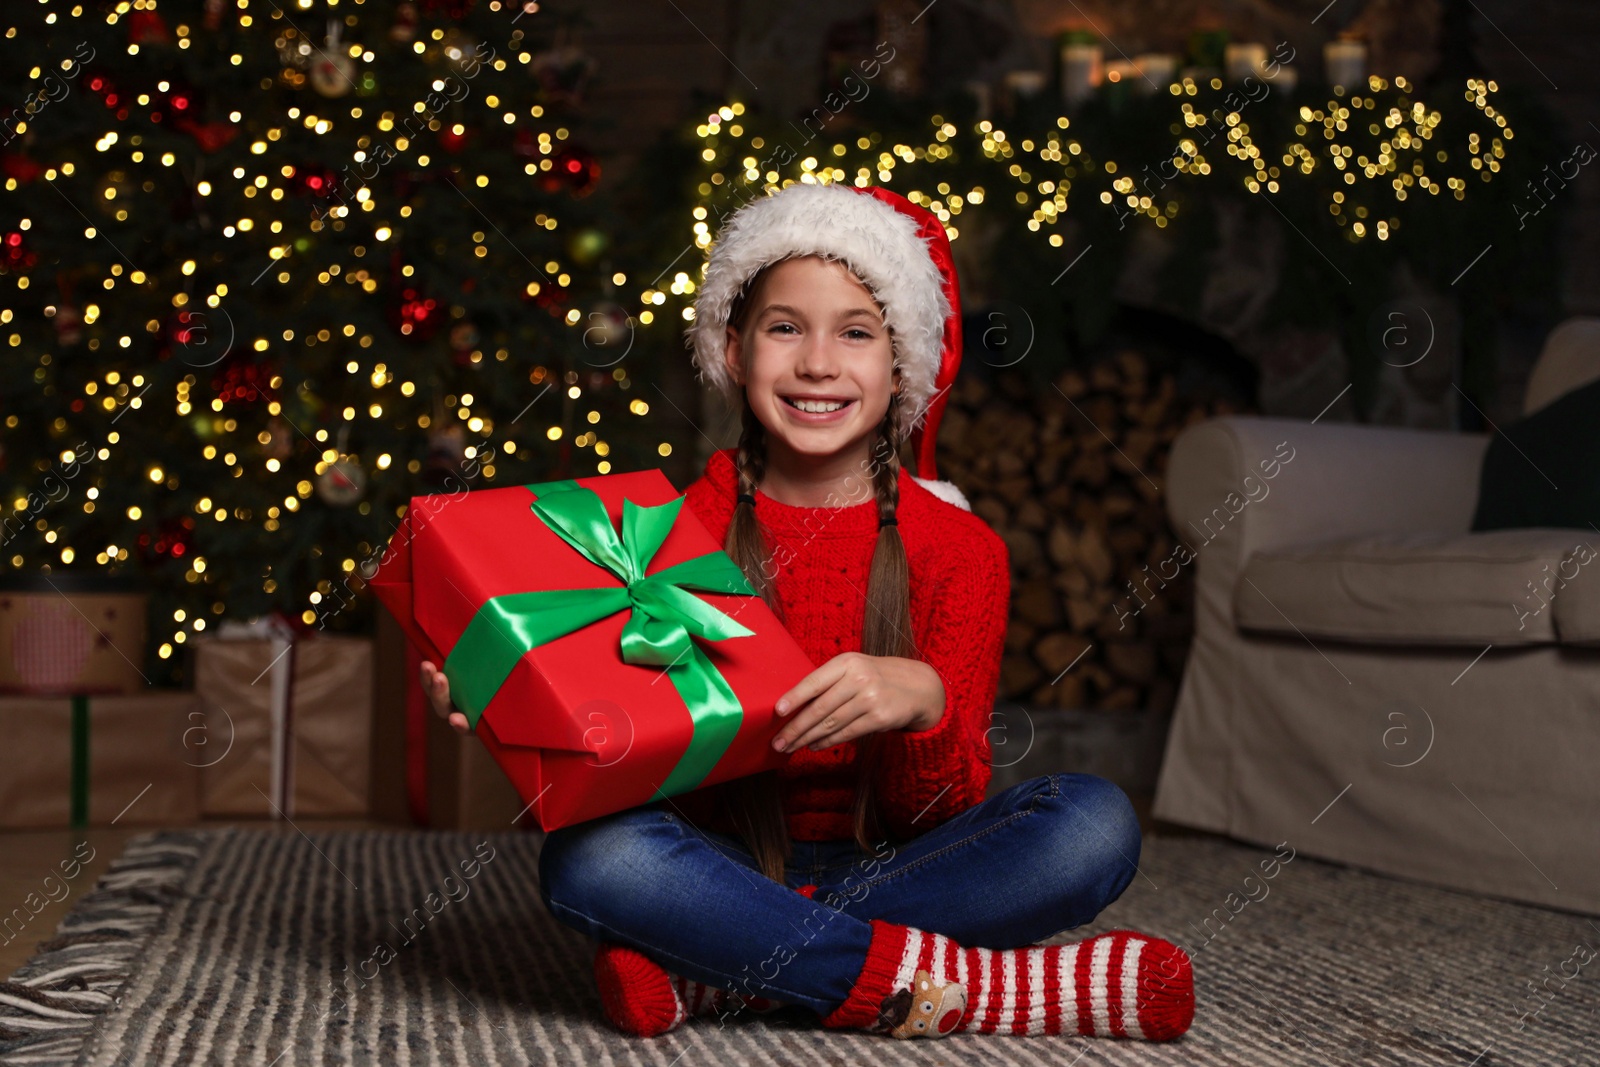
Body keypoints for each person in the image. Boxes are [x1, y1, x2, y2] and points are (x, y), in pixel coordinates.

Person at [419, 182, 1194, 1042]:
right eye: (785, 327)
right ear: (732, 348)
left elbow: (936, 814)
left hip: (901, 859)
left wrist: (925, 700)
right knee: (591, 857)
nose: (818, 363)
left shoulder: (963, 551)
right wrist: (514, 703)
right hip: (724, 858)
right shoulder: (668, 530)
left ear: (902, 367)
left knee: (1092, 825)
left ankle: (724, 969)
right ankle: (958, 985)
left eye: (855, 333)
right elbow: (627, 763)